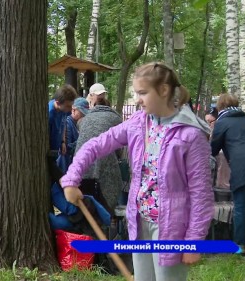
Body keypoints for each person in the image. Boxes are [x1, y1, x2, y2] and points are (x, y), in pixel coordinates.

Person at [60, 62, 214, 281]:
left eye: (143, 93)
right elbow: (95, 145)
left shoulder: (190, 135)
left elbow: (201, 193)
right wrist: (72, 177)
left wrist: (194, 240)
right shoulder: (138, 123)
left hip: (171, 228)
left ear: (163, 90)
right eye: (136, 93)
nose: (137, 99)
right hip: (139, 219)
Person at [211, 94, 245, 256]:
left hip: (242, 167)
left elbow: (213, 149)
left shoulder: (222, 122)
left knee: (241, 207)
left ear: (220, 106)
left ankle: (239, 246)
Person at [76, 91, 123, 218]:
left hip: (82, 160)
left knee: (87, 194)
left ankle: (88, 219)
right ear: (109, 107)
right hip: (104, 156)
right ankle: (107, 216)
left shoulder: (85, 119)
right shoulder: (116, 118)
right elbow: (120, 144)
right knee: (108, 186)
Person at [48, 84, 77, 182]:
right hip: (49, 152)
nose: (70, 109)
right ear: (57, 102)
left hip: (57, 149)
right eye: (68, 106)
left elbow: (63, 123)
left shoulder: (64, 110)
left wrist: (63, 141)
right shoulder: (49, 114)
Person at [56, 97, 89, 173]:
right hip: (66, 168)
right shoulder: (67, 123)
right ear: (73, 110)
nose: (84, 115)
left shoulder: (77, 124)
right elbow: (67, 148)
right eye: (82, 113)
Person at [205, 107, 230, 190]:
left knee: (221, 155)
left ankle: (222, 186)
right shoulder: (209, 129)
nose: (209, 124)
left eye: (210, 121)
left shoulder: (222, 127)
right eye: (207, 121)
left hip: (224, 152)